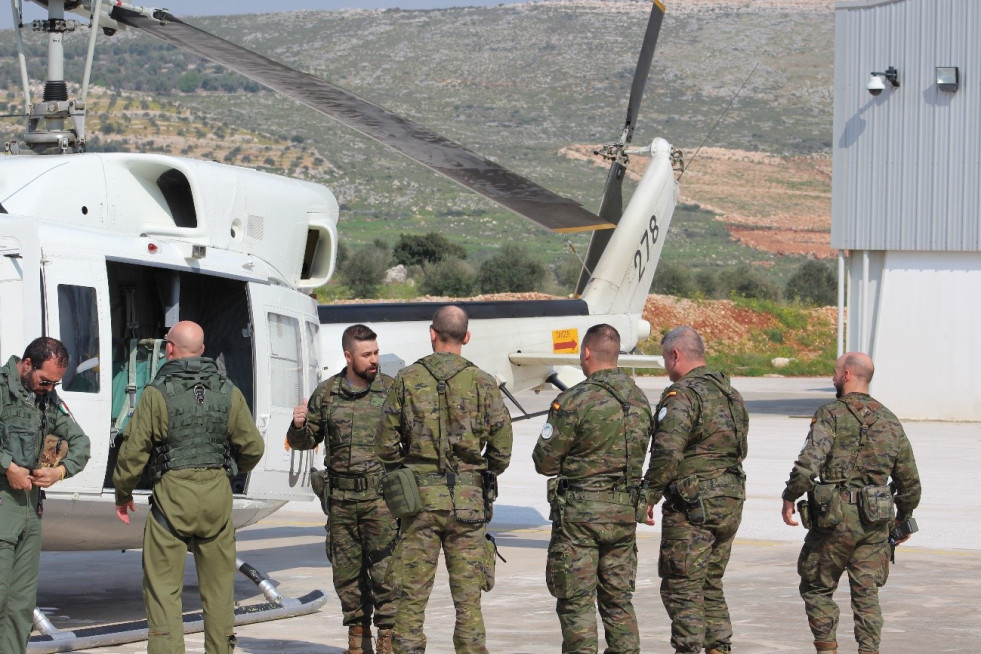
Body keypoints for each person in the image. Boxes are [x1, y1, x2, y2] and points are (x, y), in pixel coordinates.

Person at [112, 321, 265, 654]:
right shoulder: (229, 391)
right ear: (203, 351)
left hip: (171, 504)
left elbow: (133, 453)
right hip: (217, 503)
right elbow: (253, 447)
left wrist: (123, 494)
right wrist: (230, 471)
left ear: (169, 349)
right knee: (220, 593)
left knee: (164, 592)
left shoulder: (156, 393)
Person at [376, 305, 512, 654]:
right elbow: (501, 449)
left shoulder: (407, 379)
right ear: (466, 337)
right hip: (468, 504)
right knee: (468, 604)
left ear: (432, 333)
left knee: (410, 601)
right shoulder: (483, 381)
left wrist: (409, 467)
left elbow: (386, 446)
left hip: (419, 502)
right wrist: (478, 471)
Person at [781, 352, 920, 654]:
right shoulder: (890, 420)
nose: (832, 378)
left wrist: (790, 495)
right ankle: (869, 651)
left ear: (846, 376)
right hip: (875, 522)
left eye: (834, 372)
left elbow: (809, 462)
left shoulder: (830, 414)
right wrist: (904, 517)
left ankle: (827, 649)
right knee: (866, 591)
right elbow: (909, 480)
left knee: (816, 587)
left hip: (834, 520)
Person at [532, 324, 652, 654]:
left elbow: (544, 461)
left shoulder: (574, 400)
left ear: (586, 354)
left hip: (579, 520)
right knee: (618, 602)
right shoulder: (640, 400)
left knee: (577, 605)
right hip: (623, 516)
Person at [288, 324, 398, 654]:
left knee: (386, 574)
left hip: (381, 502)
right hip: (341, 503)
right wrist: (297, 426)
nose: (374, 359)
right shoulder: (327, 393)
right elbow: (306, 441)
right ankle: (357, 639)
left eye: (376, 352)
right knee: (346, 575)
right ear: (349, 356)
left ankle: (388, 641)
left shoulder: (393, 391)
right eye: (367, 355)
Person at [644, 326, 748, 654]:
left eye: (664, 358)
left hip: (693, 507)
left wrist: (648, 494)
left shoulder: (683, 394)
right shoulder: (730, 393)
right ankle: (719, 648)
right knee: (710, 585)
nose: (665, 366)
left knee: (681, 588)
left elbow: (667, 451)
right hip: (729, 500)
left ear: (676, 355)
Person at [0, 337, 91, 654]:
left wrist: (59, 471)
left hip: (31, 513)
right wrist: (7, 465)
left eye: (55, 383)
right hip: (2, 509)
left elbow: (80, 442)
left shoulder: (47, 401)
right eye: (45, 380)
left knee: (21, 605)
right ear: (27, 365)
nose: (49, 388)